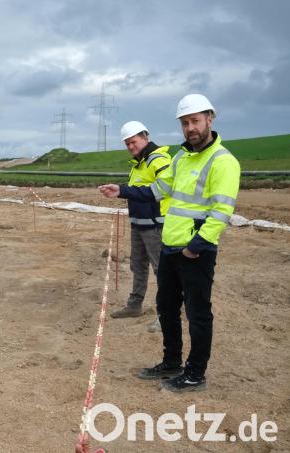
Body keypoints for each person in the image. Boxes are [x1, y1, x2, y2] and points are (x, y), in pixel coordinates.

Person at [98, 94, 240, 392]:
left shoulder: (223, 161)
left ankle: (195, 375)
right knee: (166, 306)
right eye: (185, 122)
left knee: (198, 313)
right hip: (170, 246)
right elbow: (159, 189)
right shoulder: (180, 158)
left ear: (209, 119)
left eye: (195, 121)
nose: (190, 128)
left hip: (194, 251)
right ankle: (172, 363)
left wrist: (196, 246)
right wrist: (121, 190)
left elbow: (221, 212)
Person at [109, 121, 171, 336]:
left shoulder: (159, 159)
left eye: (133, 142)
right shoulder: (139, 163)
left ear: (145, 136)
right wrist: (122, 190)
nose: (130, 147)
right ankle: (134, 305)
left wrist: (123, 191)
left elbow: (161, 190)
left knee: (161, 271)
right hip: (138, 224)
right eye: (127, 144)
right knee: (138, 266)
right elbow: (137, 190)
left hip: (155, 225)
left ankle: (166, 315)